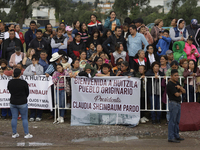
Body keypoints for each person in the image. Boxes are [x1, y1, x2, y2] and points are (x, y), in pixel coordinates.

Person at [7, 68, 33, 139]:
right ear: (20, 74)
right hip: (22, 102)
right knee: (24, 118)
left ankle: (14, 133)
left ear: (13, 74)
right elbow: (27, 92)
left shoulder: (10, 82)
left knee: (14, 117)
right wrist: (24, 97)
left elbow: (9, 90)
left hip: (13, 101)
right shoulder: (23, 82)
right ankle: (26, 134)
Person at [167, 69, 185, 143]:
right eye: (175, 75)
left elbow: (184, 90)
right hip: (173, 103)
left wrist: (180, 88)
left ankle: (176, 135)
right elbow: (177, 94)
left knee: (177, 121)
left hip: (178, 103)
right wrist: (181, 90)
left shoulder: (177, 83)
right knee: (172, 121)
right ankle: (171, 137)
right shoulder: (170, 84)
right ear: (171, 76)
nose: (177, 77)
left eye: (177, 75)